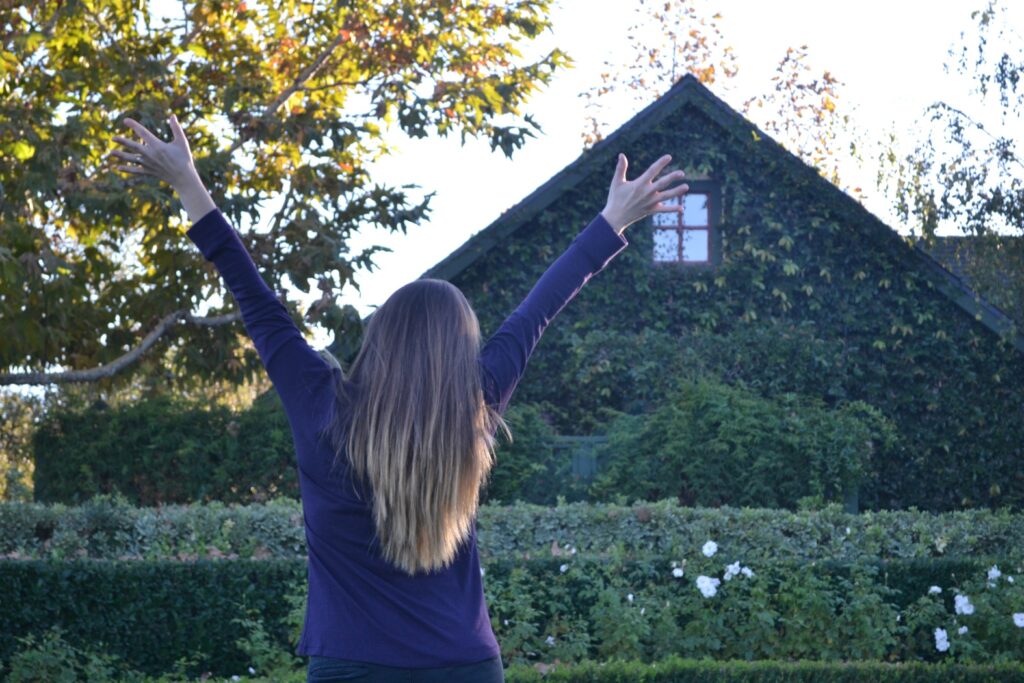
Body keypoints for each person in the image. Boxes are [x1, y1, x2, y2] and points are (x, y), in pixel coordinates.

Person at [110, 113, 688, 683]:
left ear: (380, 337)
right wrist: (612, 219)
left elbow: (257, 300)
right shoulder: (474, 405)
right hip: (464, 666)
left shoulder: (321, 404)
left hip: (352, 666)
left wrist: (188, 182)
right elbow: (535, 312)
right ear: (459, 353)